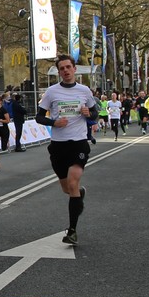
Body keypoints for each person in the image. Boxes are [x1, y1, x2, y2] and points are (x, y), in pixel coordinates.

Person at [36, 54, 98, 246]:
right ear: (59, 72)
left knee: (72, 182)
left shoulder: (84, 91)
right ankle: (79, 193)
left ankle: (72, 231)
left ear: (74, 69)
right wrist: (53, 122)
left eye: (68, 67)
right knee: (68, 188)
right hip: (58, 145)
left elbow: (95, 113)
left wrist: (89, 113)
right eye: (62, 68)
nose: (65, 71)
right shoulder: (52, 92)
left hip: (78, 143)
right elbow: (39, 117)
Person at [0, 96, 12, 169]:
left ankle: (6, 143)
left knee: (3, 148)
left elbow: (8, 120)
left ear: (0, 101)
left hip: (4, 130)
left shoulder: (3, 110)